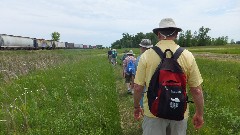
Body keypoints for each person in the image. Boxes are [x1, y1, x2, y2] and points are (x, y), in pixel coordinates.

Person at [133, 18, 204, 135]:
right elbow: (196, 90)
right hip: (179, 112)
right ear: (176, 34)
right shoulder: (188, 55)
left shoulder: (146, 56)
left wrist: (136, 107)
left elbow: (137, 87)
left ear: (158, 34)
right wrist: (199, 114)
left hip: (153, 113)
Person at [135, 39, 153, 109]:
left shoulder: (139, 59)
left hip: (144, 88)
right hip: (155, 87)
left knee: (144, 108)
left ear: (142, 48)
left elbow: (136, 76)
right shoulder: (156, 57)